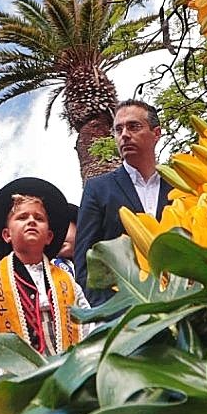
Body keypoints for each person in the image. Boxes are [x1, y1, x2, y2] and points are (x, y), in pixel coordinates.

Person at [0, 178, 86, 362]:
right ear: (7, 235)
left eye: (39, 218)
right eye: (22, 217)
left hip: (66, 374)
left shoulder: (68, 283)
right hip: (17, 381)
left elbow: (88, 323)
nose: (31, 221)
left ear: (49, 237)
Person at [74, 99, 172, 291]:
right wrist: (113, 314)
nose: (125, 135)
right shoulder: (98, 189)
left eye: (133, 127)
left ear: (156, 133)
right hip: (129, 311)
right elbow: (85, 264)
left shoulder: (179, 184)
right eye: (118, 130)